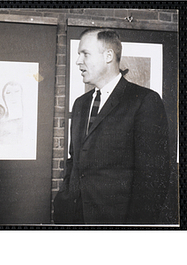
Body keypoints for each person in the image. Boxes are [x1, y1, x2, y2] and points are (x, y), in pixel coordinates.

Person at [54, 29, 171, 224]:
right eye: (78, 55)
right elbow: (74, 161)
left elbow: (153, 178)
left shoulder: (144, 101)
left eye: (85, 54)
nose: (78, 61)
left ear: (108, 56)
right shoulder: (80, 104)